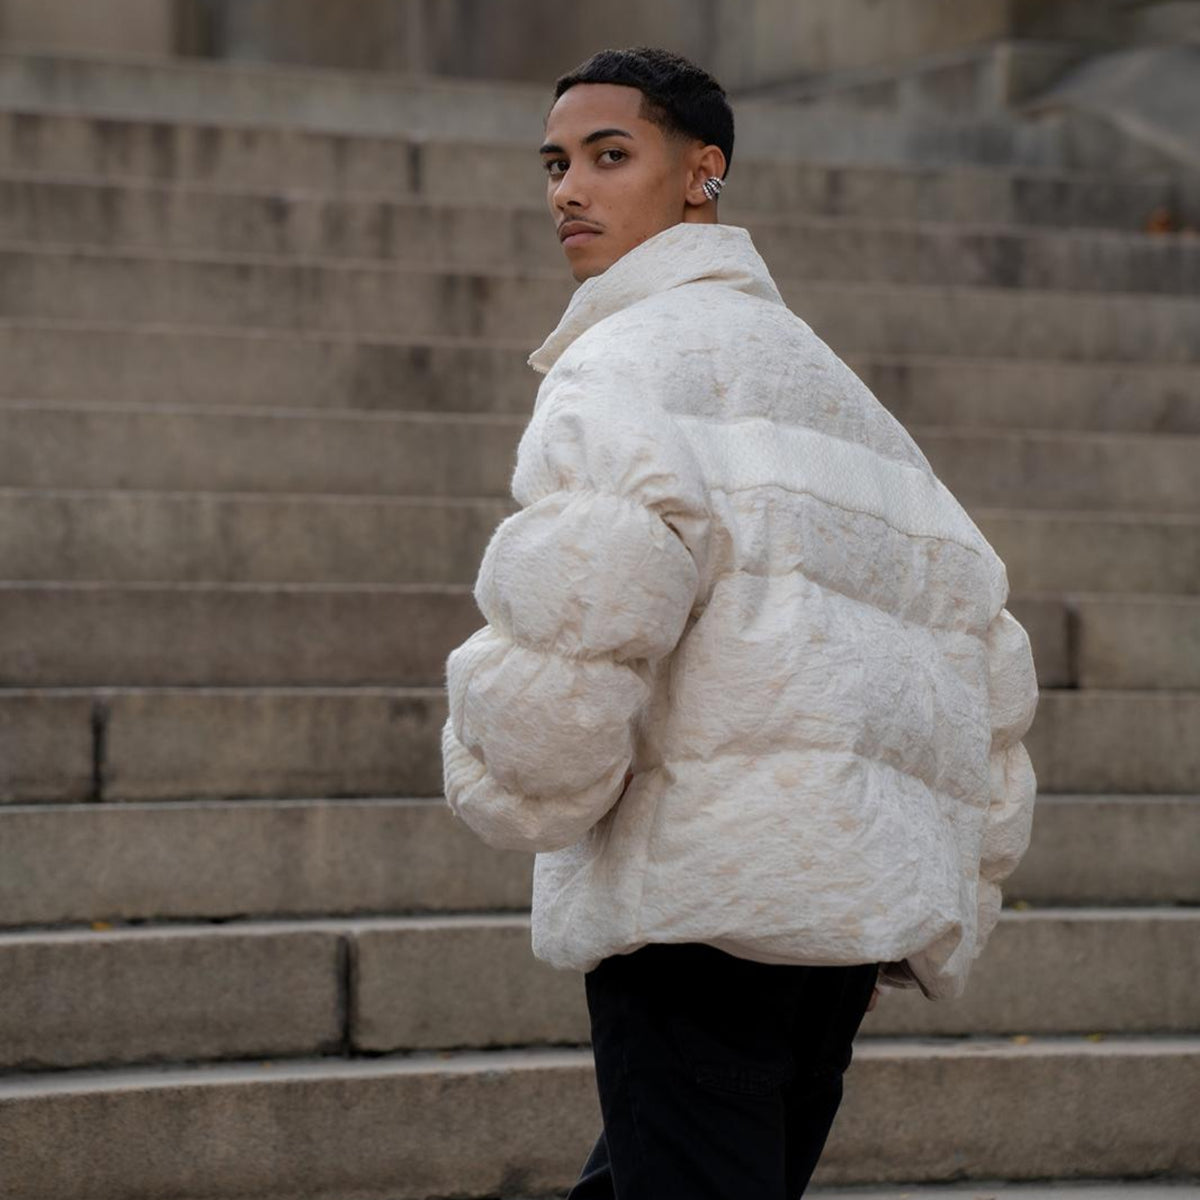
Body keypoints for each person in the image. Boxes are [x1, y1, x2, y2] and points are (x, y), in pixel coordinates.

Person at [440, 45, 1039, 1199]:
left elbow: (581, 613)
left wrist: (505, 771)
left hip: (698, 904)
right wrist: (913, 874)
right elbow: (969, 626)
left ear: (702, 169)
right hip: (829, 919)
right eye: (556, 162)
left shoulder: (621, 359)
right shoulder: (823, 380)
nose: (570, 189)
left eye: (611, 156)